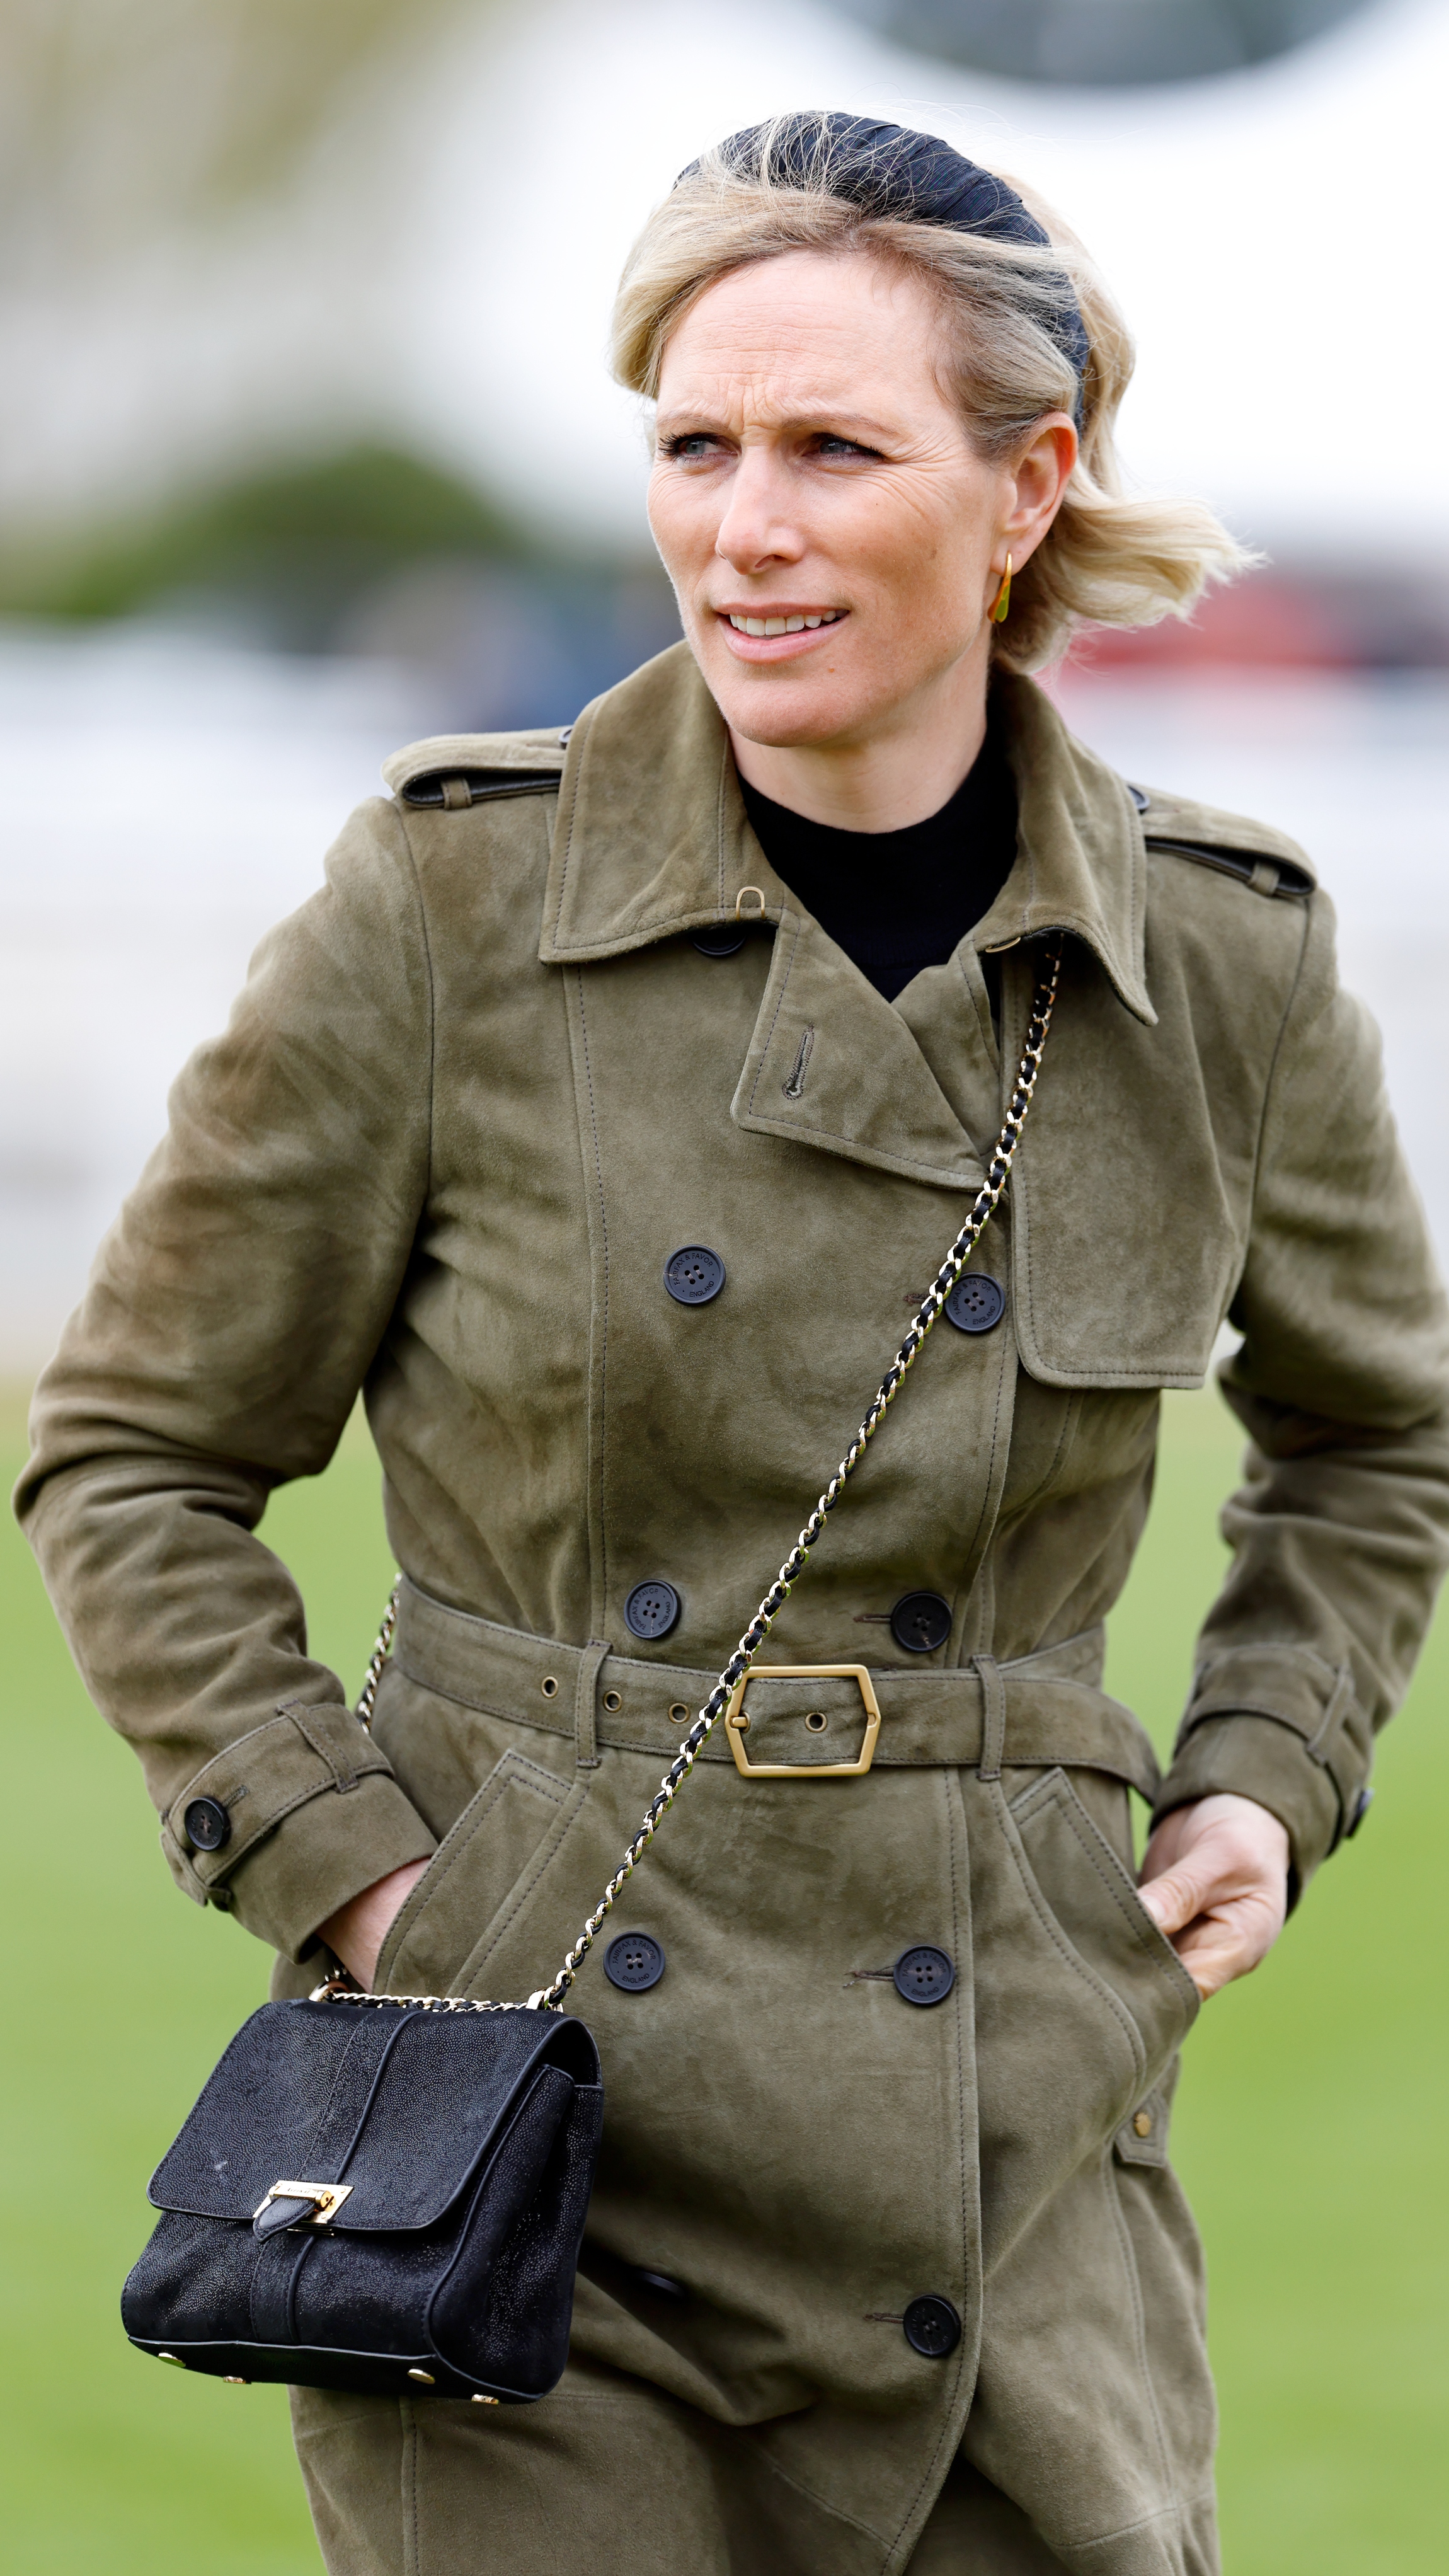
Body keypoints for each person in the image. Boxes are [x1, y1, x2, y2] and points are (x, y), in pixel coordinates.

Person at [17, 112, 1449, 2576]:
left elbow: (1371, 1437)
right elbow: (135, 1450)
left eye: (824, 449)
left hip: (1016, 2125)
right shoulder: (447, 906)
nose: (739, 527)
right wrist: (360, 1878)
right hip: (525, 2106)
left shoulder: (1214, 954)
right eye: (692, 444)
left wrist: (1257, 1770)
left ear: (1022, 487)